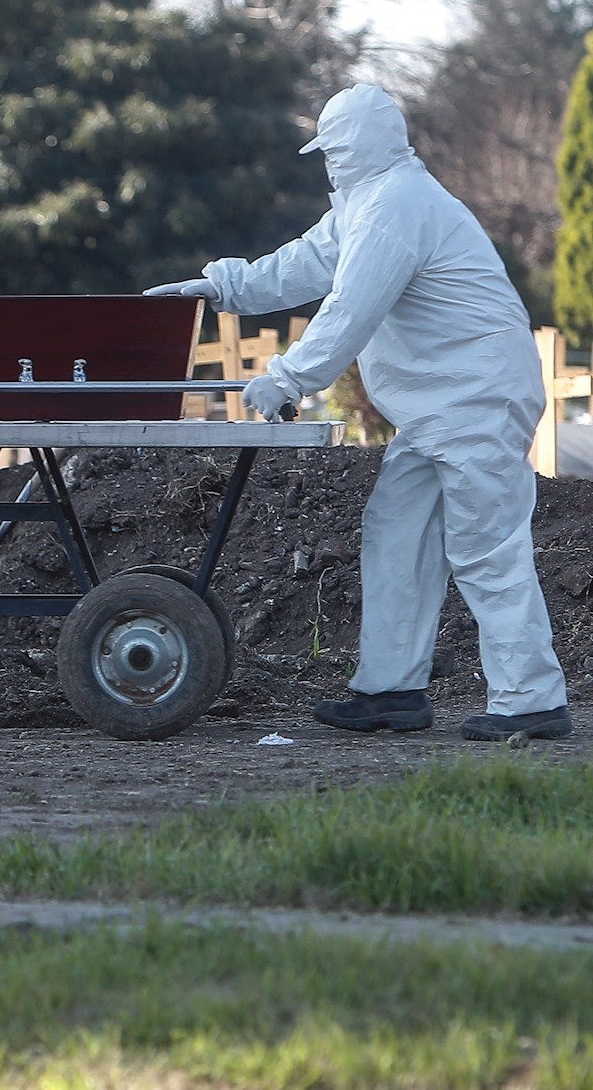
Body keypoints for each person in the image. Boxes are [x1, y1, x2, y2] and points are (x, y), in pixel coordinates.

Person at [146, 83, 570, 741]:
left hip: (475, 396)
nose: (328, 164)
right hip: (443, 405)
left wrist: (286, 378)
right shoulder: (370, 204)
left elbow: (350, 307)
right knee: (397, 531)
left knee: (486, 544)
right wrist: (222, 287)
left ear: (353, 147)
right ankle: (391, 692)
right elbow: (304, 264)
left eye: (332, 151)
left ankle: (531, 702)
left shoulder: (395, 207)